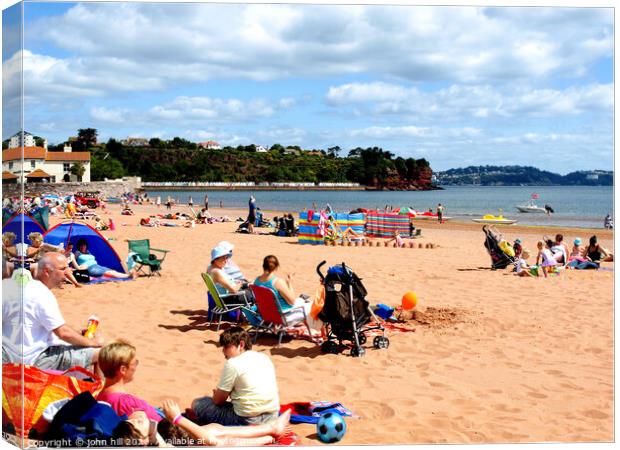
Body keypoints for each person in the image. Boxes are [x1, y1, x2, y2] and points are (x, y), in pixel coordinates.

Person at [2, 253, 103, 370]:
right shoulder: (41, 293)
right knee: (100, 353)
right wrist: (93, 342)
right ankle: (100, 388)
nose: (68, 272)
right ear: (47, 271)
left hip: (8, 356)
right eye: (63, 269)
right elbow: (63, 333)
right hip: (36, 360)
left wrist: (77, 335)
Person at [190, 327, 280, 426]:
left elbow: (218, 401)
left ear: (241, 344)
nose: (223, 350)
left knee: (198, 403)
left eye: (226, 346)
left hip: (247, 420)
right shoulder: (264, 357)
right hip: (273, 416)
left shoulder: (233, 364)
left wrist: (217, 395)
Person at [158, 399, 291, 447]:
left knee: (215, 430)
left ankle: (270, 431)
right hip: (173, 439)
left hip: (172, 434)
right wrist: (177, 418)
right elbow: (211, 441)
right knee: (217, 440)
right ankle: (269, 433)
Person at [96, 340, 163, 423]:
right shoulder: (126, 402)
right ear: (123, 370)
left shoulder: (101, 396)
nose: (136, 367)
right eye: (135, 363)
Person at [253, 255, 321, 329]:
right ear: (276, 267)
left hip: (266, 316)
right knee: (313, 305)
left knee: (301, 300)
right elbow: (292, 302)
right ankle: (317, 329)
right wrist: (289, 283)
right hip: (283, 317)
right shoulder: (277, 282)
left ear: (263, 266)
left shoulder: (256, 281)